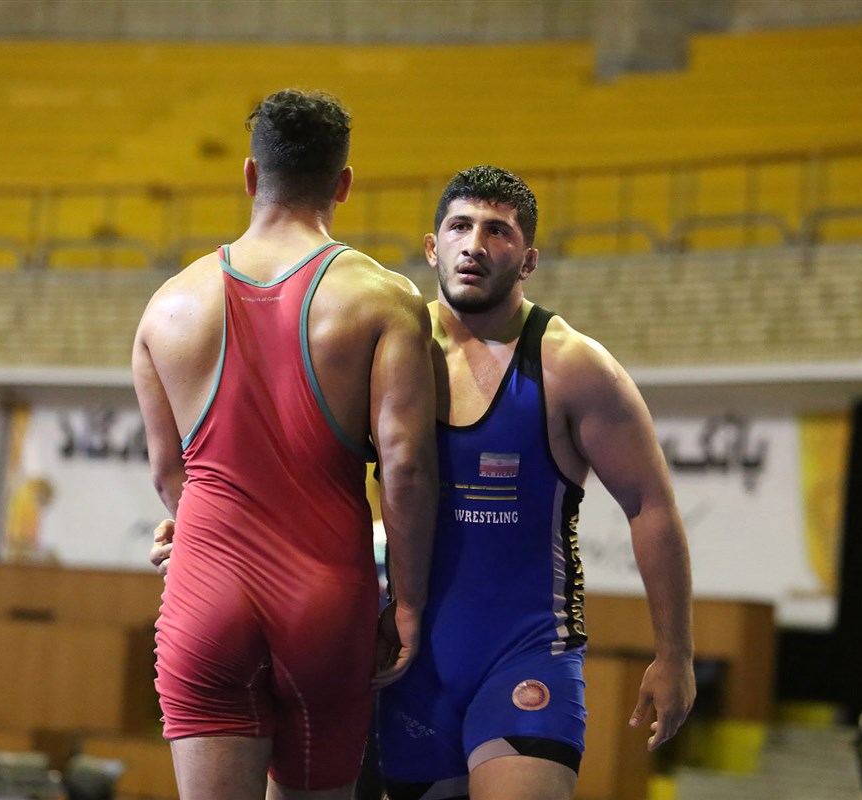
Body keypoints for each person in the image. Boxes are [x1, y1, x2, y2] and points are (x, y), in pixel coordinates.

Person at [151, 165, 696, 800]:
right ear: (433, 248)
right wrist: (201, 530)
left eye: (498, 232)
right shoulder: (383, 344)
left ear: (528, 260)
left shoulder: (572, 366)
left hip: (528, 652)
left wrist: (675, 654)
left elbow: (650, 506)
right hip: (405, 660)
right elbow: (282, 464)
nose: (475, 245)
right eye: (460, 227)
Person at [132, 88, 438, 800]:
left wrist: (202, 533)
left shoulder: (167, 305)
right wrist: (408, 602)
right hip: (325, 600)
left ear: (249, 175)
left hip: (205, 593)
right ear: (343, 184)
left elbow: (169, 474)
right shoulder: (384, 298)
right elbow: (406, 467)